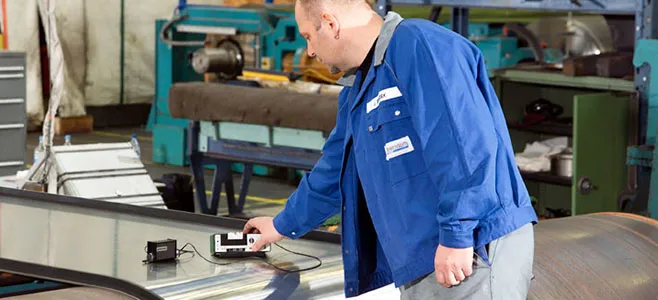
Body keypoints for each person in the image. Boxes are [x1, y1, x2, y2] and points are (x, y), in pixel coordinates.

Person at [243, 0, 539, 299]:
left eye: (308, 36)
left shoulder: (419, 45)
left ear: (330, 23)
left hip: (471, 250)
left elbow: (463, 146)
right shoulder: (359, 86)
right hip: (424, 258)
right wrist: (282, 225)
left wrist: (457, 235)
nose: (310, 51)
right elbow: (335, 170)